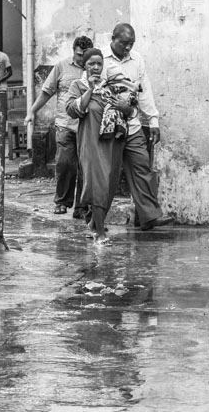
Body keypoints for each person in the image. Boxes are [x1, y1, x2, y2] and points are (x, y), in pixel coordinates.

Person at [102, 23, 173, 230]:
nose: (127, 48)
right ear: (113, 38)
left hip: (132, 126)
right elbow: (91, 87)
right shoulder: (100, 58)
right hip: (108, 129)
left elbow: (144, 91)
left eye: (131, 44)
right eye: (124, 43)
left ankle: (149, 216)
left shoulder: (137, 60)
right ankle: (96, 220)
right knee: (108, 176)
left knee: (142, 167)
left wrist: (153, 121)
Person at [65, 48, 136, 246]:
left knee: (109, 184)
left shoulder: (111, 86)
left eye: (99, 64)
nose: (96, 67)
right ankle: (99, 232)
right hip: (90, 143)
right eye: (91, 64)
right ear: (84, 66)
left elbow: (129, 111)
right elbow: (72, 110)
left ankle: (95, 222)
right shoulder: (77, 86)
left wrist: (124, 106)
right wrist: (90, 89)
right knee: (97, 184)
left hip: (112, 143)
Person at [24, 34, 94, 216]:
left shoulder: (95, 70)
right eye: (79, 55)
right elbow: (47, 91)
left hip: (87, 127)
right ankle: (62, 201)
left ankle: (81, 207)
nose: (83, 59)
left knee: (84, 168)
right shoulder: (61, 67)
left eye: (85, 55)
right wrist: (32, 111)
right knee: (64, 164)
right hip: (65, 125)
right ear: (74, 52)